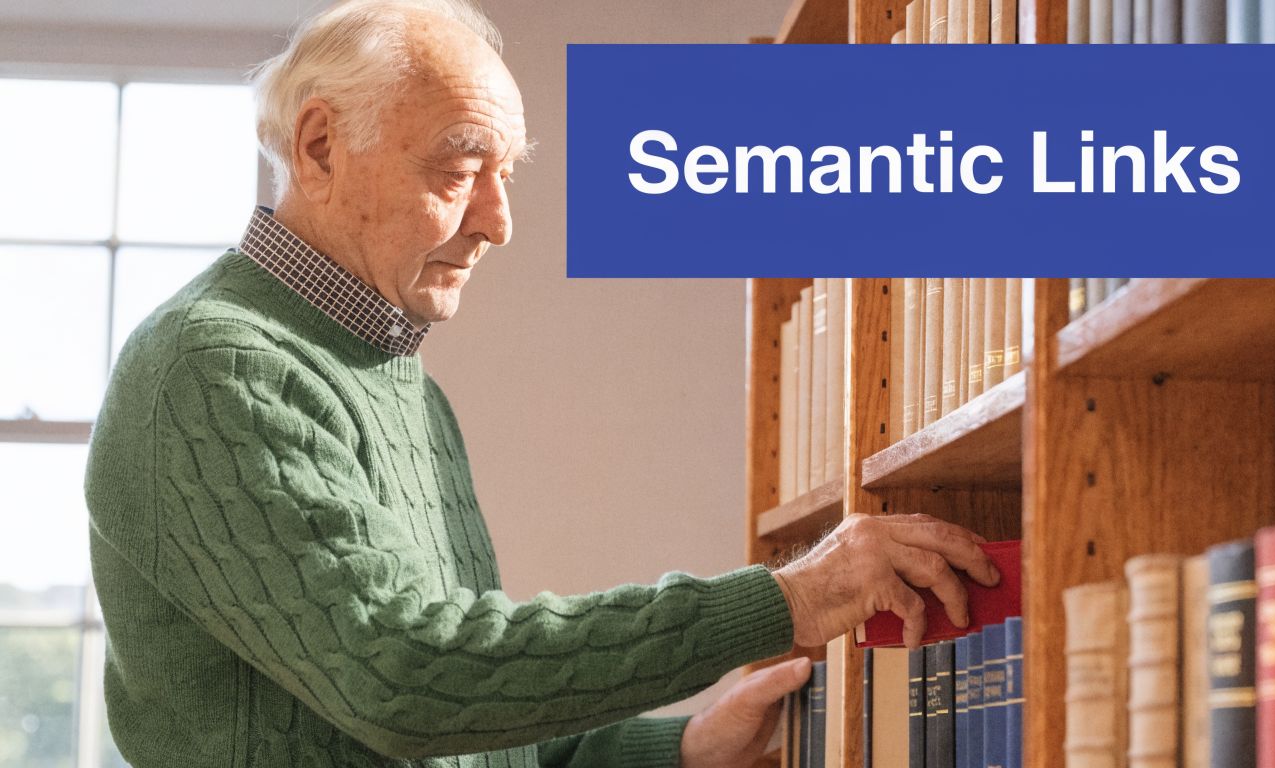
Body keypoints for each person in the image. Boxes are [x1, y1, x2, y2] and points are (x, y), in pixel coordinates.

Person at [83, 1, 1000, 766]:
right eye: (459, 168)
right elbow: (408, 679)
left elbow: (469, 730)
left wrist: (677, 750)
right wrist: (791, 599)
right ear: (320, 147)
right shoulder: (217, 367)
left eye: (506, 174)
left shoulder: (399, 380)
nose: (499, 222)